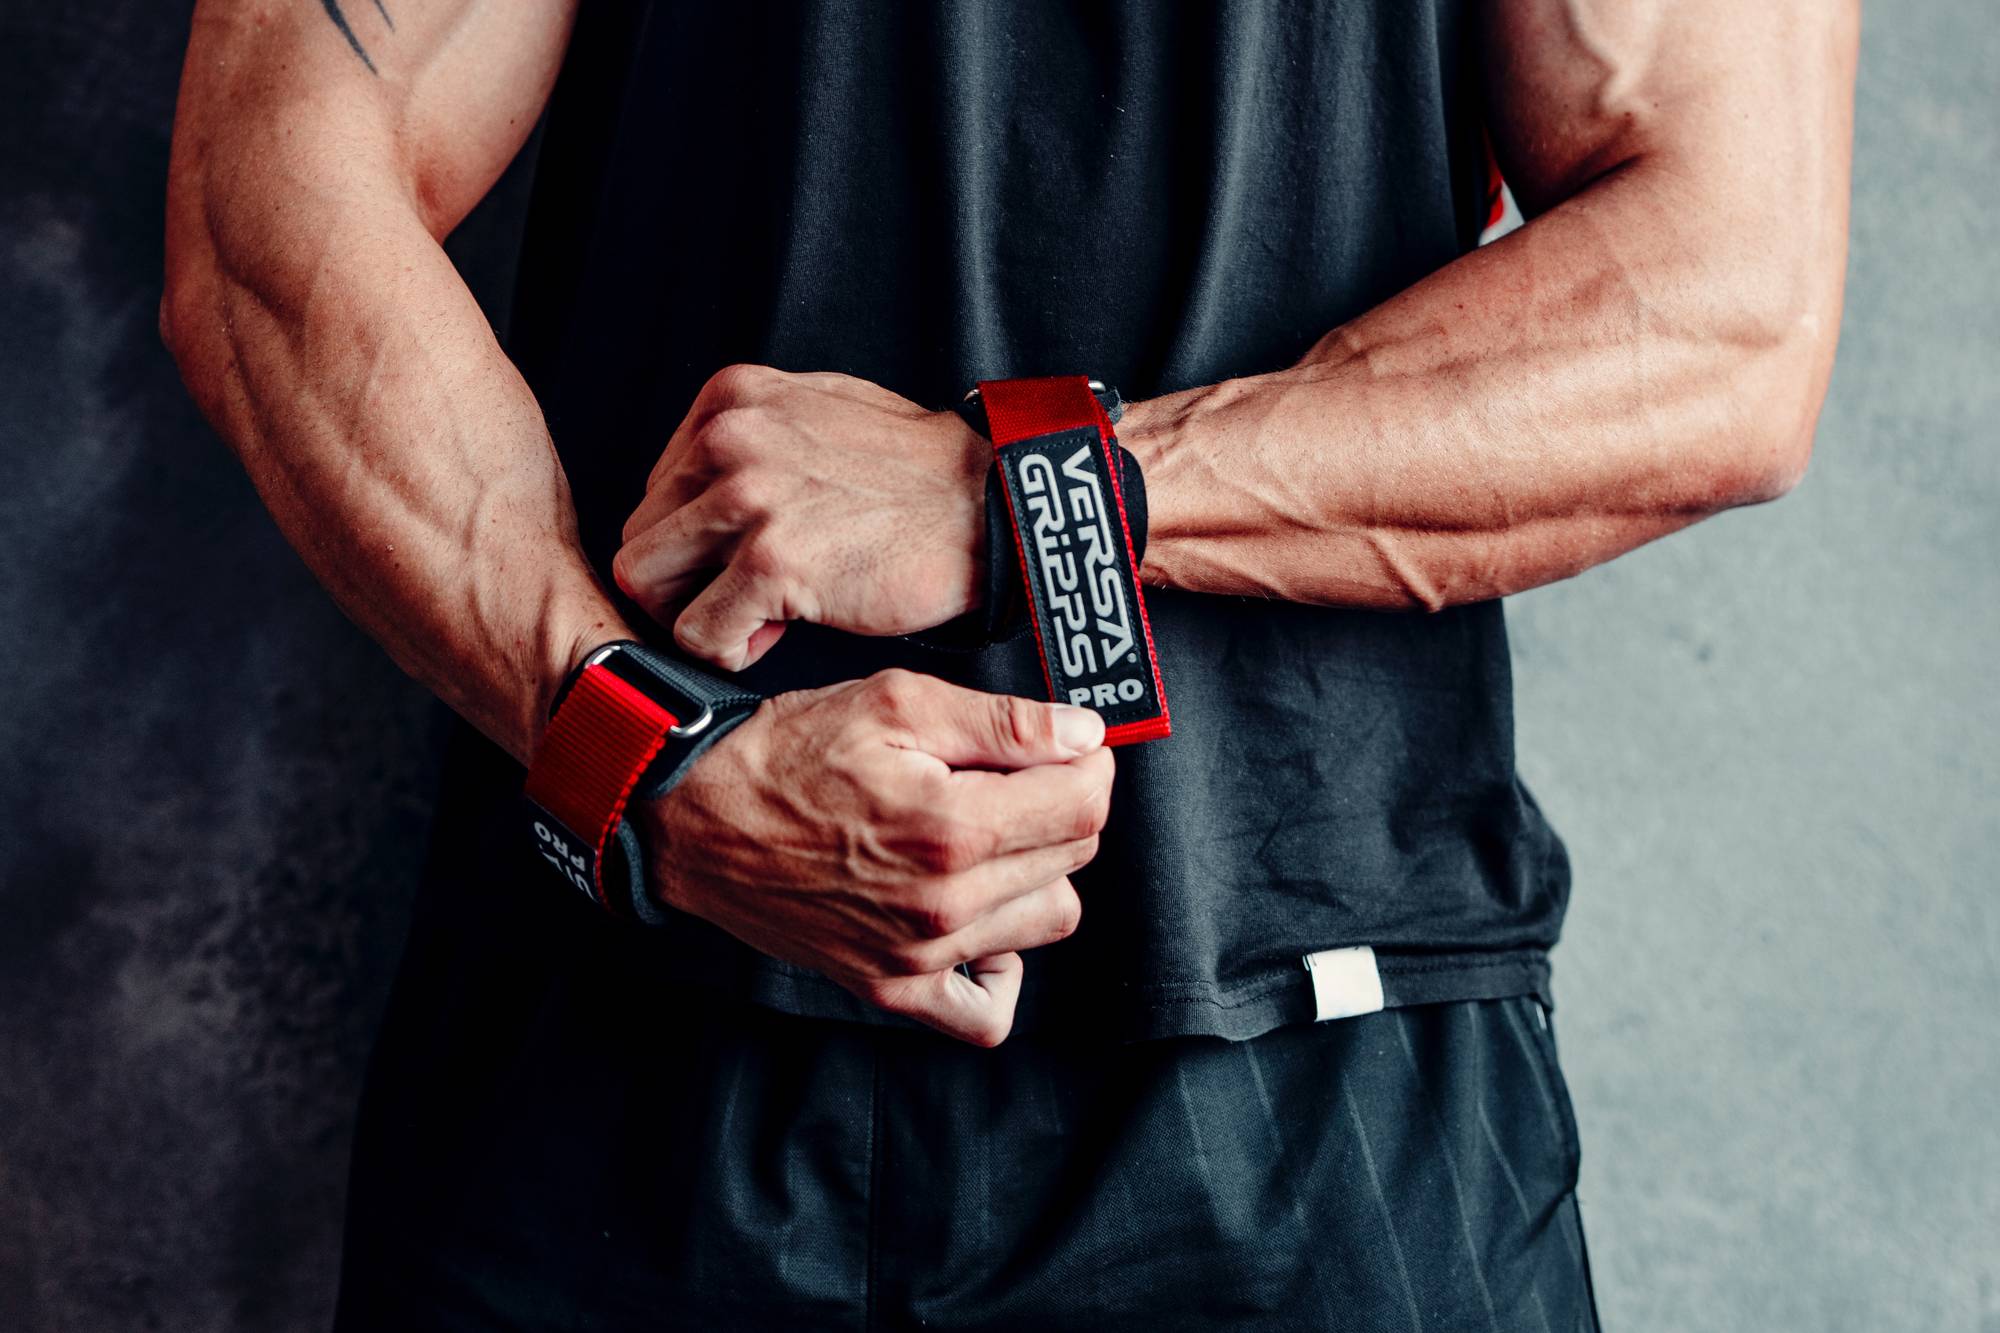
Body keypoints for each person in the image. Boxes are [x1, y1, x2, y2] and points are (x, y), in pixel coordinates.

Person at [162, 1, 1855, 1327]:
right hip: (622, 1030)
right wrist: (642, 758)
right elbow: (270, 192)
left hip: (1315, 1070)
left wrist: (1023, 490)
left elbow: (1725, 313)